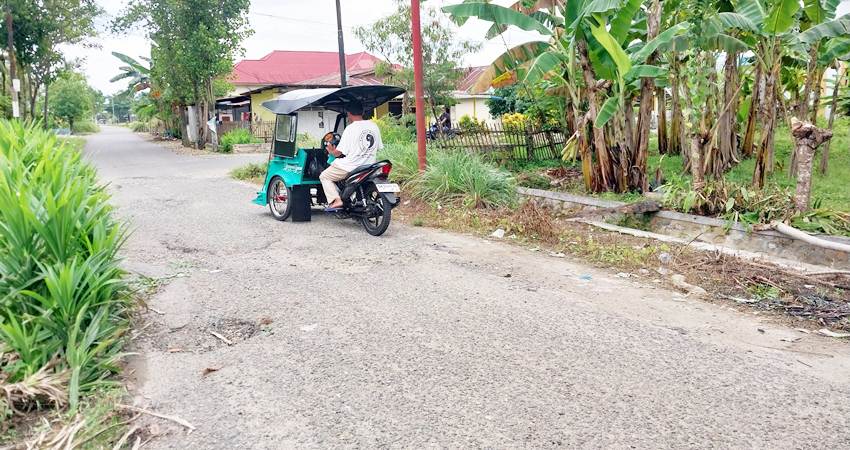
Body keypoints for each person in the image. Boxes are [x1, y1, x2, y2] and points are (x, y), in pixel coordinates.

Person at [319, 101, 383, 210]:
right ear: (362, 112)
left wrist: (330, 151)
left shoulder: (350, 128)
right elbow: (378, 147)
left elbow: (338, 153)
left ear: (349, 114)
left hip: (351, 166)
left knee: (324, 176)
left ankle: (336, 200)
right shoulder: (373, 126)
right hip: (369, 166)